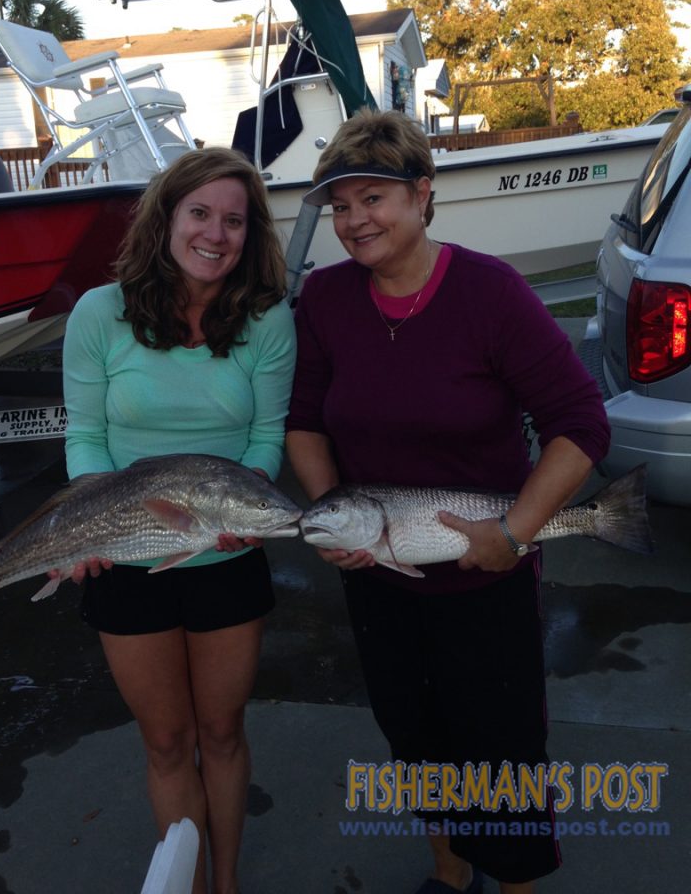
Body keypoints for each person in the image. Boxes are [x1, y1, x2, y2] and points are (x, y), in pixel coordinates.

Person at [285, 109, 610, 894]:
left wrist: (513, 530)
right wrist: (335, 517)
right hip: (379, 575)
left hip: (486, 578)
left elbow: (579, 425)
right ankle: (448, 875)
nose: (355, 220)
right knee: (413, 733)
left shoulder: (489, 293)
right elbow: (303, 422)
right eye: (340, 205)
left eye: (374, 198)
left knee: (499, 751)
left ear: (423, 193)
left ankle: (515, 884)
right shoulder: (326, 300)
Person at [62, 147, 296, 894]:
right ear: (166, 218)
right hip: (124, 557)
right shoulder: (98, 314)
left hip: (228, 554)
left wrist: (240, 509)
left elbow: (267, 437)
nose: (216, 234)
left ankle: (223, 883)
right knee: (166, 742)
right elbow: (85, 436)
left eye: (234, 220)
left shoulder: (267, 318)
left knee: (222, 734)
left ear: (249, 236)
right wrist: (88, 524)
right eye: (200, 213)